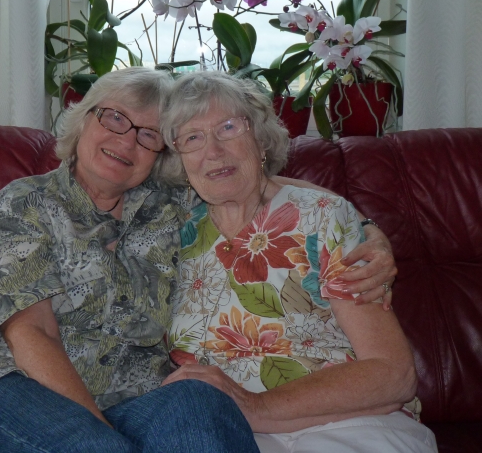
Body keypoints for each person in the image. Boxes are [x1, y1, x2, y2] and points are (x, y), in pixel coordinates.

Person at [0, 67, 398, 453]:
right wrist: (108, 440)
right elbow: (32, 335)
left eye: (148, 135)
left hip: (135, 403)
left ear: (161, 156)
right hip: (12, 390)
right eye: (114, 119)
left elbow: (250, 179)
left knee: (199, 401)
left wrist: (368, 228)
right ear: (82, 120)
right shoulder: (25, 204)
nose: (127, 141)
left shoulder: (168, 206)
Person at [159, 71, 438, 453]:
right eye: (192, 137)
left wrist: (256, 406)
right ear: (178, 158)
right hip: (224, 433)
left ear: (260, 139)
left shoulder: (322, 217)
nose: (213, 151)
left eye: (228, 128)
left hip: (347, 421)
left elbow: (393, 374)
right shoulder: (172, 232)